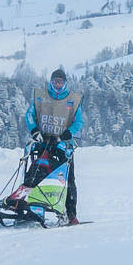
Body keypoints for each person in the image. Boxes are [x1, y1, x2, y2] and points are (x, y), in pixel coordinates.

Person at [25, 67, 84, 223]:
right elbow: (29, 115)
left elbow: (79, 122)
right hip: (43, 142)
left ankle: (71, 214)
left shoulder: (73, 100)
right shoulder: (41, 97)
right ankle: (30, 206)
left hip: (63, 145)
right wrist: (34, 130)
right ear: (51, 82)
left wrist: (69, 132)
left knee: (67, 180)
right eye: (55, 82)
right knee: (35, 173)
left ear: (65, 83)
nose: (57, 85)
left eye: (60, 82)